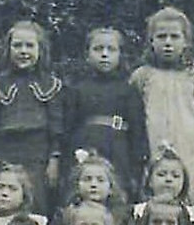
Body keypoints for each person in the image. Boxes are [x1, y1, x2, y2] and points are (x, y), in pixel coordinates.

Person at [0, 21, 65, 211]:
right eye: (17, 45)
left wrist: (54, 159)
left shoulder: (52, 85)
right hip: (4, 152)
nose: (23, 51)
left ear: (40, 50)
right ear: (8, 49)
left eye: (30, 46)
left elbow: (56, 127)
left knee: (36, 202)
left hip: (37, 154)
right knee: (3, 200)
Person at [129, 7, 194, 205]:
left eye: (174, 37)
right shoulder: (142, 76)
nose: (167, 43)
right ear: (151, 41)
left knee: (187, 192)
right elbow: (134, 114)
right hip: (152, 145)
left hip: (187, 147)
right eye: (161, 36)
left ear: (185, 42)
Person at [61, 27, 147, 200]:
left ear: (120, 55)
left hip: (119, 149)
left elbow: (138, 130)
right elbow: (68, 128)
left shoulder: (128, 90)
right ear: (87, 54)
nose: (104, 54)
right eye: (98, 49)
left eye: (111, 49)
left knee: (118, 191)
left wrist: (137, 166)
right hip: (87, 144)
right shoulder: (77, 88)